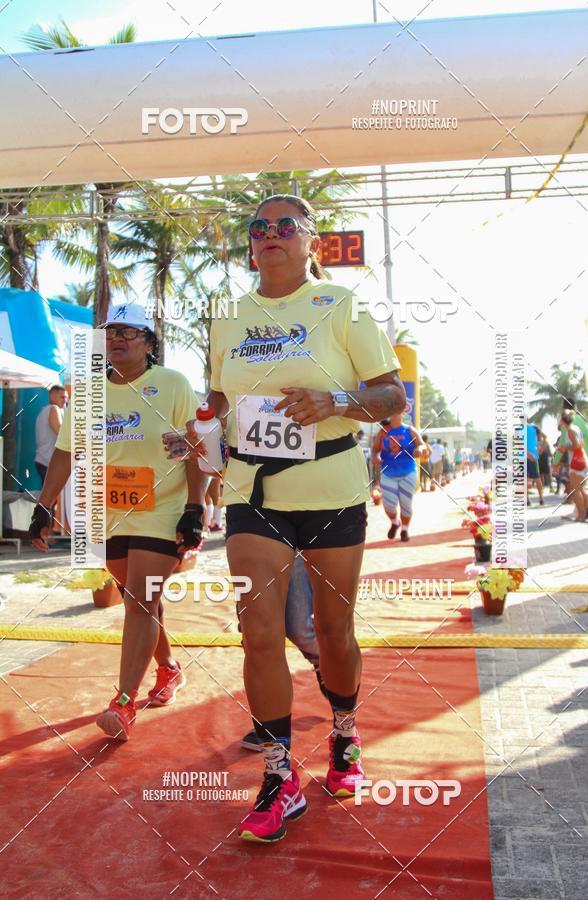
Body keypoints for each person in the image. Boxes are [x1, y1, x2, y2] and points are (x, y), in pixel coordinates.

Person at [182, 194, 404, 843]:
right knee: (257, 631)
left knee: (333, 631)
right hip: (254, 490)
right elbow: (219, 397)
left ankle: (343, 734)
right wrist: (203, 429)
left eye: (286, 226)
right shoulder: (226, 316)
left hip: (332, 489)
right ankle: (279, 778)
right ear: (249, 245)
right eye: (259, 227)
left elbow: (391, 395)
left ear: (312, 242)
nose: (270, 234)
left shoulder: (341, 304)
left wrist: (335, 398)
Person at [29, 303, 206, 741]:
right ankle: (168, 669)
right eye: (110, 333)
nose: (117, 340)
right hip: (109, 512)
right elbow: (66, 452)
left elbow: (195, 446)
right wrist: (43, 505)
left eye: (130, 332)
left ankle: (123, 703)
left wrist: (195, 507)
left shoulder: (172, 384)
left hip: (163, 508)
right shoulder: (88, 391)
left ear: (149, 342)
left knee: (142, 602)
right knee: (137, 599)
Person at [241, 554, 326, 749]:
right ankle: (268, 728)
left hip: (297, 540)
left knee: (299, 629)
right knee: (258, 636)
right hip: (253, 534)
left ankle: (321, 659)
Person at [371, 412, 424, 541]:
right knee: (389, 505)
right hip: (388, 473)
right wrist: (375, 457)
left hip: (408, 471)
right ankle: (395, 522)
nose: (393, 414)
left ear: (401, 413)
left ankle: (405, 529)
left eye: (396, 411)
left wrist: (420, 449)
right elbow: (375, 448)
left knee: (406, 503)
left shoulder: (409, 430)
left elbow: (421, 444)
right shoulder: (383, 432)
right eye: (391, 411)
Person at [557, 409, 588, 521]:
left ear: (562, 419)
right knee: (581, 489)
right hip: (583, 460)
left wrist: (564, 448)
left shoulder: (570, 430)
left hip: (576, 463)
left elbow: (576, 446)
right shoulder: (576, 429)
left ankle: (581, 515)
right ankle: (584, 513)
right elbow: (582, 444)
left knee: (576, 491)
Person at [34, 384, 68, 486]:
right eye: (62, 397)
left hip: (44, 461)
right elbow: (62, 433)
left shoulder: (45, 411)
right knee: (50, 500)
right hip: (48, 462)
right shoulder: (53, 408)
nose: (65, 400)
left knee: (49, 499)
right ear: (52, 396)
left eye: (66, 397)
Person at [526, 422, 544, 506]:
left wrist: (527, 453)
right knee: (536, 478)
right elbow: (544, 438)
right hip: (532, 456)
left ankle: (528, 499)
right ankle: (540, 498)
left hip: (525, 456)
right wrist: (541, 449)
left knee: (526, 479)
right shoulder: (535, 427)